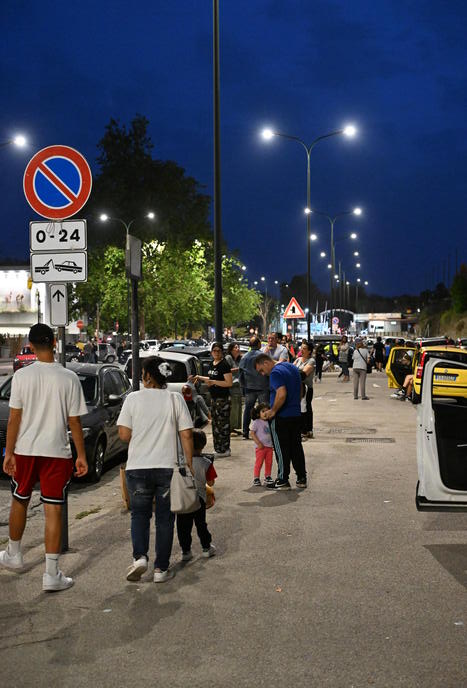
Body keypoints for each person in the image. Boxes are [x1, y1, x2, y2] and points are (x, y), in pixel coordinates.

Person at [0, 324, 88, 592]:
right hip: (56, 451)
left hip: (26, 449)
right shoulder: (68, 378)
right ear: (54, 343)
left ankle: (14, 553)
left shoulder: (22, 377)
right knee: (53, 509)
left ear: (30, 344)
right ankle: (51, 573)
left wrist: (9, 452)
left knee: (20, 498)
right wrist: (81, 455)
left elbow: (14, 418)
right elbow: (74, 422)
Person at [117, 356, 194, 583]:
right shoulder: (175, 399)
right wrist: (188, 464)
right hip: (166, 468)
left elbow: (123, 435)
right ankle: (161, 569)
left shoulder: (133, 399)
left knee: (139, 515)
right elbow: (187, 434)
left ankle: (140, 558)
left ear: (147, 376)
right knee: (164, 519)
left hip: (138, 468)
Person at [255, 354, 307, 490]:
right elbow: (302, 389)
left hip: (281, 417)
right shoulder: (292, 367)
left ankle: (283, 479)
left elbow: (281, 393)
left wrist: (273, 411)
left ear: (266, 363)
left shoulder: (275, 373)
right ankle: (302, 477)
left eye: (261, 370)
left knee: (281, 449)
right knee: (296, 447)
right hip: (295, 414)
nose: (262, 374)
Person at [176, 429, 217, 561]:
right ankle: (206, 547)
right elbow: (211, 482)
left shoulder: (180, 461)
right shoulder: (207, 462)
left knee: (183, 526)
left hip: (183, 497)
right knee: (201, 524)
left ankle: (186, 551)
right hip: (199, 498)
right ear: (203, 445)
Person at [194, 343, 232, 458]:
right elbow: (211, 379)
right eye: (214, 351)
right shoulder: (212, 364)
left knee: (222, 424)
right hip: (214, 398)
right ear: (211, 352)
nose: (216, 353)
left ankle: (224, 449)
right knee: (215, 424)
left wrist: (214, 382)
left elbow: (228, 382)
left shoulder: (224, 365)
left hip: (223, 398)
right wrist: (199, 377)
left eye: (218, 351)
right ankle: (218, 448)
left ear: (222, 352)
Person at [238, 336, 269, 440]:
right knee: (264, 410)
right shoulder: (263, 356)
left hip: (249, 387)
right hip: (262, 386)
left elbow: (240, 373)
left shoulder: (244, 357)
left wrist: (242, 386)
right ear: (259, 344)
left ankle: (245, 432)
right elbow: (268, 371)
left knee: (248, 409)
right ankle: (264, 431)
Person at [293, 340, 315, 439]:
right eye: (301, 348)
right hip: (297, 388)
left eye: (304, 348)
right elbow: (291, 369)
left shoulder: (311, 361)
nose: (301, 350)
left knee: (306, 408)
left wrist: (294, 372)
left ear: (309, 351)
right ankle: (301, 428)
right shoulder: (298, 360)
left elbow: (304, 373)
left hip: (306, 388)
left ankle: (306, 430)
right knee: (299, 408)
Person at [250, 403, 274, 487]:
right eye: (263, 411)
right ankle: (256, 478)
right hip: (260, 448)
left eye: (267, 411)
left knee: (269, 462)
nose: (265, 413)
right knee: (259, 463)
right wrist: (258, 443)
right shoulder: (256, 422)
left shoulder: (270, 422)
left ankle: (267, 476)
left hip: (269, 447)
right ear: (258, 413)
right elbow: (252, 433)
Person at [225, 342, 243, 435]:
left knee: (237, 407)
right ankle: (230, 427)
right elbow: (226, 370)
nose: (238, 349)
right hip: (231, 385)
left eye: (238, 347)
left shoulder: (239, 359)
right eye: (236, 347)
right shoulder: (228, 358)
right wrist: (238, 369)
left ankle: (235, 426)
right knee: (232, 407)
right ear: (231, 349)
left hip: (238, 386)